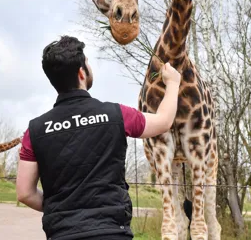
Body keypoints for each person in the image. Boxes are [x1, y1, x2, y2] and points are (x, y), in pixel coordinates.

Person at [16, 36, 181, 240]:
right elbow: (164, 121)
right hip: (112, 232)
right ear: (81, 73)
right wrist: (173, 83)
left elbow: (24, 193)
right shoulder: (116, 115)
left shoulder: (35, 131)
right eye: (87, 62)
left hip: (62, 234)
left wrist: (60, 208)